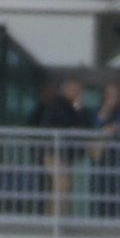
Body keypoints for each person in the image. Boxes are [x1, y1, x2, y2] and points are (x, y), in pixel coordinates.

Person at [35, 76, 90, 218]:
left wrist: (79, 107)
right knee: (61, 185)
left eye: (80, 90)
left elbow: (84, 127)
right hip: (53, 153)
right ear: (66, 90)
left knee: (65, 187)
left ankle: (60, 217)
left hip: (66, 155)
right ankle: (54, 219)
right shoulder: (58, 105)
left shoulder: (74, 107)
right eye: (75, 89)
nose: (78, 92)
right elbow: (66, 125)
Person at [87, 76, 120, 220]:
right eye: (108, 94)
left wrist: (107, 130)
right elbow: (97, 123)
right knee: (99, 188)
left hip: (117, 156)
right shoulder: (97, 109)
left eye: (115, 94)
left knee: (117, 190)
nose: (112, 97)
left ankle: (117, 220)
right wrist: (107, 108)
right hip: (100, 156)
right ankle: (98, 219)